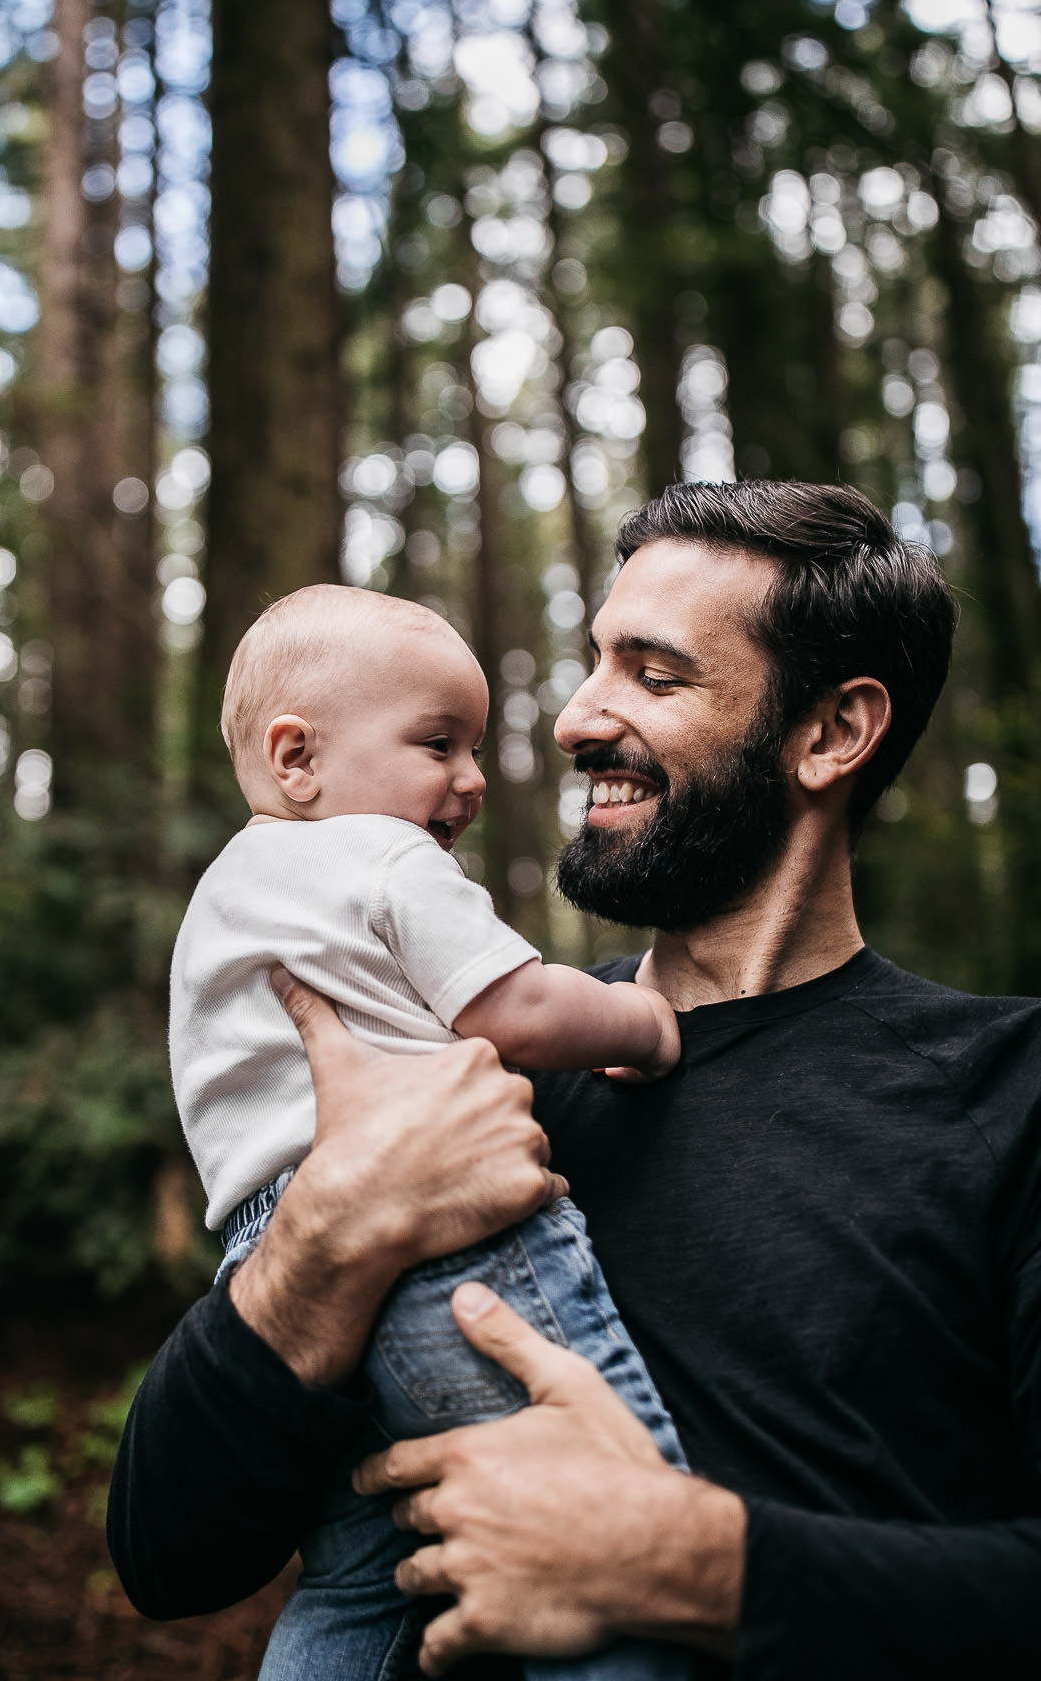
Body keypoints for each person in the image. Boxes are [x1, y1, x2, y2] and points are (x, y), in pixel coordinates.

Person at [108, 481, 1041, 1681]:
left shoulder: (1004, 1099)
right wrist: (327, 1238)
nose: (575, 720)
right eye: (595, 662)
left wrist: (694, 1564)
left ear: (829, 735)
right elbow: (165, 1556)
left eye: (653, 677)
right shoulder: (450, 1066)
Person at [169, 583, 688, 1681]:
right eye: (437, 743)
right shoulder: (389, 859)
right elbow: (511, 1008)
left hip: (264, 1254)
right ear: (297, 758)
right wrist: (643, 1024)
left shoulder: (227, 896)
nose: (470, 780)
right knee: (620, 1530)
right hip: (448, 1245)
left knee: (362, 1578)